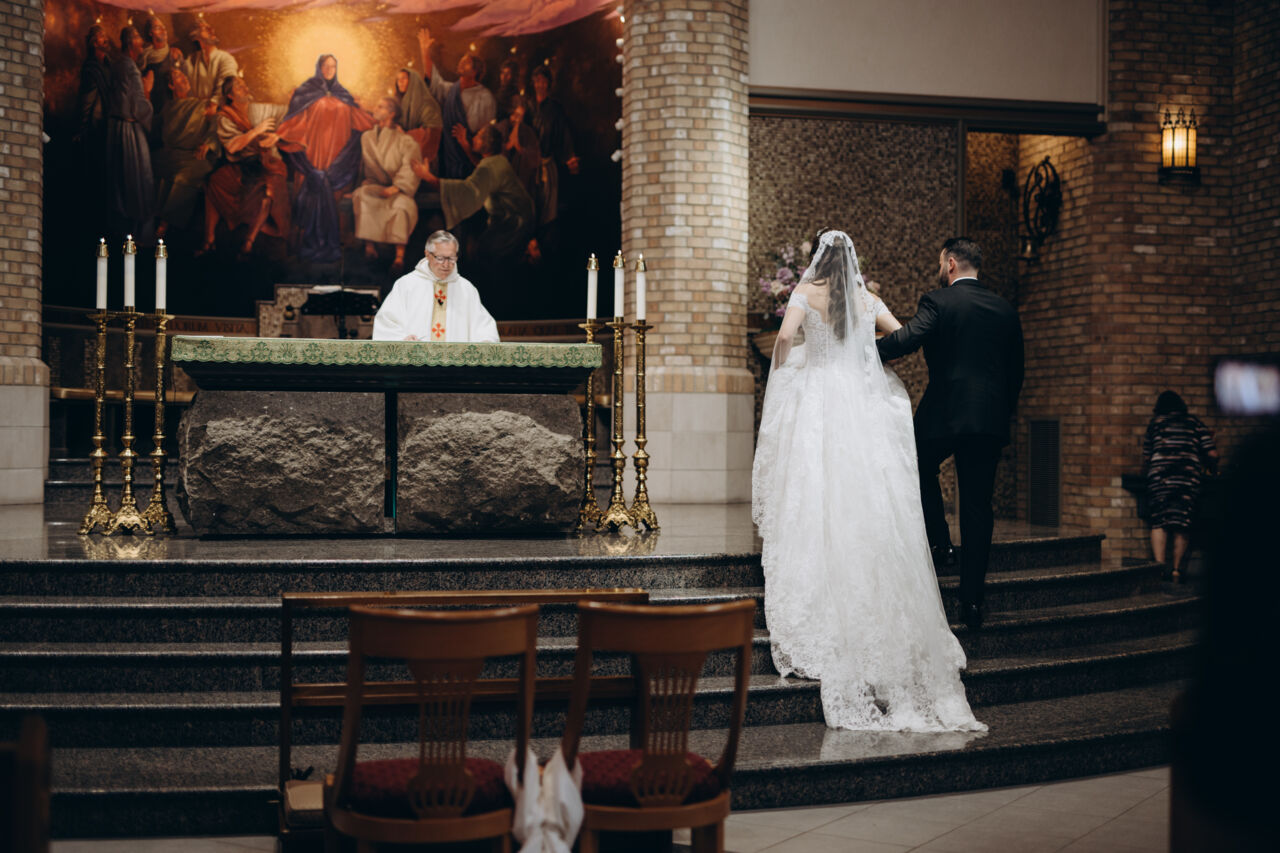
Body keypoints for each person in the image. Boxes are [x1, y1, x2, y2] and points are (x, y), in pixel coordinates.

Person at [751, 230, 985, 732]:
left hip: (818, 394)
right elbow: (900, 339)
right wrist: (864, 355)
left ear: (818, 259)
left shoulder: (804, 292)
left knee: (818, 484)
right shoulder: (867, 298)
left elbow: (786, 339)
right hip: (861, 399)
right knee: (867, 492)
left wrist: (785, 372)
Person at [877, 237, 1025, 632]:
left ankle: (941, 543)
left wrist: (863, 351)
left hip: (943, 415)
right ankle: (972, 602)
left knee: (917, 464)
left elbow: (908, 338)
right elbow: (1017, 372)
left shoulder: (938, 301)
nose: (940, 269)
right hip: (988, 421)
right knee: (978, 506)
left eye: (941, 262)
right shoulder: (1005, 309)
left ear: (952, 263)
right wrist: (1001, 413)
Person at [276, 54, 375, 263]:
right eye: (326, 66)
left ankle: (338, 242)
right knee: (311, 189)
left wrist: (379, 121)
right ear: (319, 67)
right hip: (313, 153)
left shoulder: (344, 95)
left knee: (336, 195)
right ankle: (302, 244)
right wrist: (278, 135)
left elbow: (361, 121)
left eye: (333, 66)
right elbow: (294, 122)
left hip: (338, 158)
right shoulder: (305, 93)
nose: (329, 69)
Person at [414, 124, 535, 270]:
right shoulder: (498, 160)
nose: (474, 138)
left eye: (478, 136)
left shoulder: (489, 167)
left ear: (487, 143)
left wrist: (428, 177)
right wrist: (465, 144)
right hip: (514, 216)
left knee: (487, 257)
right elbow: (482, 168)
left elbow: (467, 191)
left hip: (514, 222)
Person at [201, 76, 295, 255]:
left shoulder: (258, 108)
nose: (245, 87)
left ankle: (249, 241)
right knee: (214, 181)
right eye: (239, 86)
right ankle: (209, 239)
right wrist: (257, 131)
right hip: (243, 164)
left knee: (269, 191)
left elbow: (286, 112)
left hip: (268, 163)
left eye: (244, 84)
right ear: (230, 96)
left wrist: (293, 100)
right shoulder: (224, 117)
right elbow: (232, 146)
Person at [1142, 390, 1218, 581]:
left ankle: (1159, 568)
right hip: (1186, 479)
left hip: (1160, 479)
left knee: (1159, 522)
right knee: (1182, 523)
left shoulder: (1156, 423)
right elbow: (1212, 454)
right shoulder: (1193, 423)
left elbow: (1147, 456)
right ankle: (1176, 570)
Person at [372, 230, 500, 343]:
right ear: (427, 254)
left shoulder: (466, 289)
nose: (446, 264)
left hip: (455, 361)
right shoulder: (406, 285)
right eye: (440, 258)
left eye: (451, 258)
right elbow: (386, 322)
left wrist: (486, 340)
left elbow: (483, 326)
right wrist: (403, 339)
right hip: (417, 360)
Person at [353, 97, 422, 274]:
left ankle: (399, 257)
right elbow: (363, 167)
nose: (375, 109)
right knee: (362, 195)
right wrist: (362, 184)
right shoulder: (367, 137)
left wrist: (397, 187)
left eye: (381, 107)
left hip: (399, 189)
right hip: (376, 185)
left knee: (401, 206)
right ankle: (370, 248)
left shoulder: (405, 141)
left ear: (392, 114)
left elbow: (411, 166)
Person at [417, 26, 496, 179]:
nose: (461, 62)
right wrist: (425, 51)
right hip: (448, 157)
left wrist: (466, 141)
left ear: (475, 71)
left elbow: (485, 134)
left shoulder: (485, 96)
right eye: (462, 60)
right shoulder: (451, 90)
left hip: (470, 159)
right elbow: (433, 80)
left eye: (466, 62)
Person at [153, 67, 216, 239]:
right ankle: (149, 219)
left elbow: (215, 125)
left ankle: (164, 225)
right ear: (171, 86)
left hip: (192, 157)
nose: (184, 78)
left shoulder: (202, 105)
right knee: (153, 167)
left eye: (184, 75)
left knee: (181, 176)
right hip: (170, 154)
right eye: (178, 77)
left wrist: (208, 143)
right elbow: (157, 129)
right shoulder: (168, 107)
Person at [106, 26, 155, 236]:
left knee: (119, 180)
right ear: (129, 42)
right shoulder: (131, 68)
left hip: (115, 128)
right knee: (139, 179)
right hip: (130, 130)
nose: (142, 41)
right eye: (137, 38)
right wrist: (148, 90)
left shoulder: (119, 64)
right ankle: (139, 231)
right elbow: (138, 106)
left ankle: (123, 229)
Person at [394, 66, 443, 166]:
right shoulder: (401, 103)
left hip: (423, 162)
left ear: (413, 81)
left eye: (404, 78)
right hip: (402, 157)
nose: (400, 82)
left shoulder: (428, 104)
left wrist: (405, 135)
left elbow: (432, 136)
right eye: (398, 79)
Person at [182, 21, 237, 105]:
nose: (211, 30)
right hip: (196, 108)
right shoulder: (190, 61)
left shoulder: (225, 58)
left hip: (217, 108)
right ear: (195, 36)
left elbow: (228, 81)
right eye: (205, 29)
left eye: (210, 28)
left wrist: (213, 103)